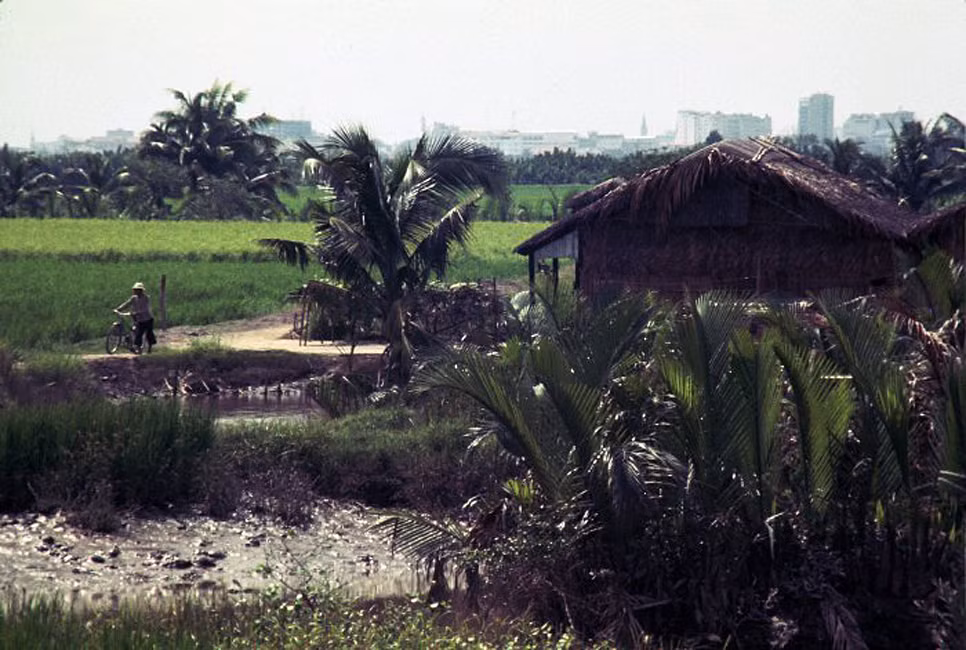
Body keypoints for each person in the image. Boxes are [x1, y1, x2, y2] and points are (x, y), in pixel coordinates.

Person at [116, 281, 156, 353]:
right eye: (135, 290)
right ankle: (138, 347)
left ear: (141, 291)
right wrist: (118, 309)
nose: (135, 291)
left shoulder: (146, 298)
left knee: (149, 333)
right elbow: (127, 304)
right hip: (139, 319)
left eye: (137, 290)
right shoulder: (134, 298)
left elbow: (145, 309)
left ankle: (149, 347)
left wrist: (136, 313)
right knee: (138, 333)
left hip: (147, 318)